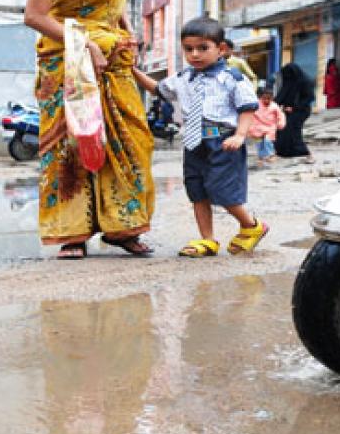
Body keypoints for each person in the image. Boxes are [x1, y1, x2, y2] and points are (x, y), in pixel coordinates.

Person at [24, 0, 155, 260]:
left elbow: (112, 9)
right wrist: (82, 44)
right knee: (72, 146)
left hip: (113, 62)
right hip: (66, 63)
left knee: (132, 142)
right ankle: (72, 234)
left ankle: (122, 227)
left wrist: (128, 32)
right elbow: (34, 15)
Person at [132, 17, 270, 258]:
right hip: (194, 142)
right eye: (189, 49)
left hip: (223, 142)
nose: (195, 54)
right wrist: (132, 71)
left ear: (221, 49)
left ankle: (251, 226)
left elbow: (247, 108)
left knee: (222, 190)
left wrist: (240, 135)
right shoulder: (183, 78)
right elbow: (158, 89)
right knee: (197, 190)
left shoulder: (232, 78)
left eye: (203, 48)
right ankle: (208, 240)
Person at [274, 63, 316, 162]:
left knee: (293, 130)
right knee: (281, 129)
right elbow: (282, 94)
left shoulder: (305, 81)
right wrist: (272, 104)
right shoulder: (289, 80)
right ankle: (284, 152)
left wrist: (294, 107)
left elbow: (309, 97)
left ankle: (303, 152)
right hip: (287, 111)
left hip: (301, 111)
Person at [248, 87, 286, 168]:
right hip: (258, 127)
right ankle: (261, 157)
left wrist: (281, 123)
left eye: (269, 99)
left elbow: (280, 115)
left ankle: (271, 154)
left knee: (268, 141)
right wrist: (250, 126)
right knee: (259, 143)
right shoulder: (256, 105)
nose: (266, 101)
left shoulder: (274, 106)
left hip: (270, 127)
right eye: (264, 98)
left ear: (272, 98)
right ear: (260, 97)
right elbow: (250, 114)